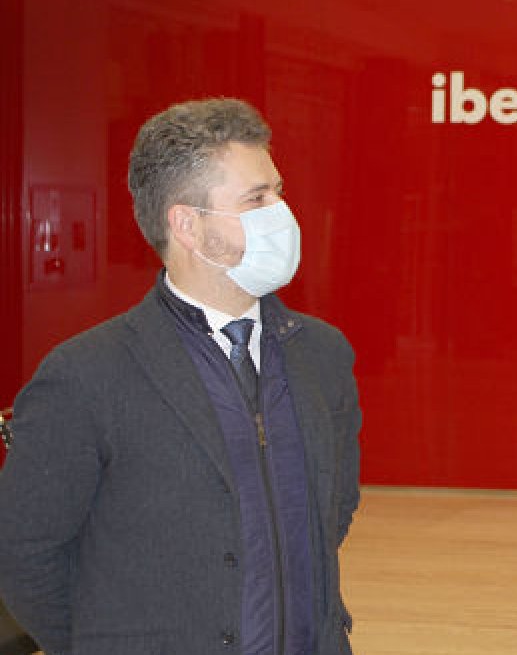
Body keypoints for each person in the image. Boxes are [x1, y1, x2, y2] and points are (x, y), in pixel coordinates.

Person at [0, 98, 361, 655]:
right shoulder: (85, 376)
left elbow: (333, 511)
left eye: (278, 191)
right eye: (256, 198)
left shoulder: (323, 354)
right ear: (188, 225)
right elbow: (25, 552)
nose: (282, 212)